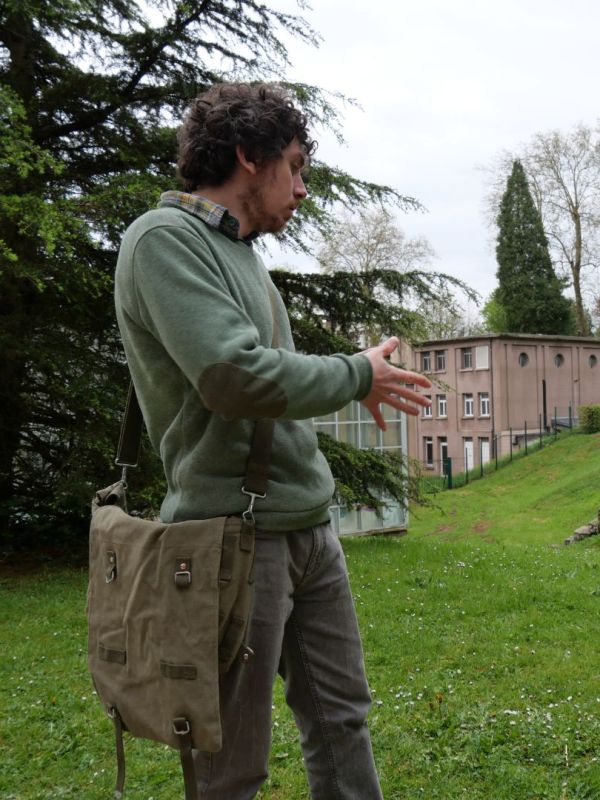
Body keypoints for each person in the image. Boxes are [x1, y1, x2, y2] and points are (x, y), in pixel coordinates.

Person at [114, 82, 432, 800]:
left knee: (342, 721)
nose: (303, 188)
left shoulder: (243, 254)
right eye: (294, 166)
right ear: (248, 157)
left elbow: (269, 377)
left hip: (308, 528)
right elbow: (233, 378)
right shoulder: (163, 240)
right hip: (233, 538)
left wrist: (353, 381)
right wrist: (355, 373)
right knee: (233, 762)